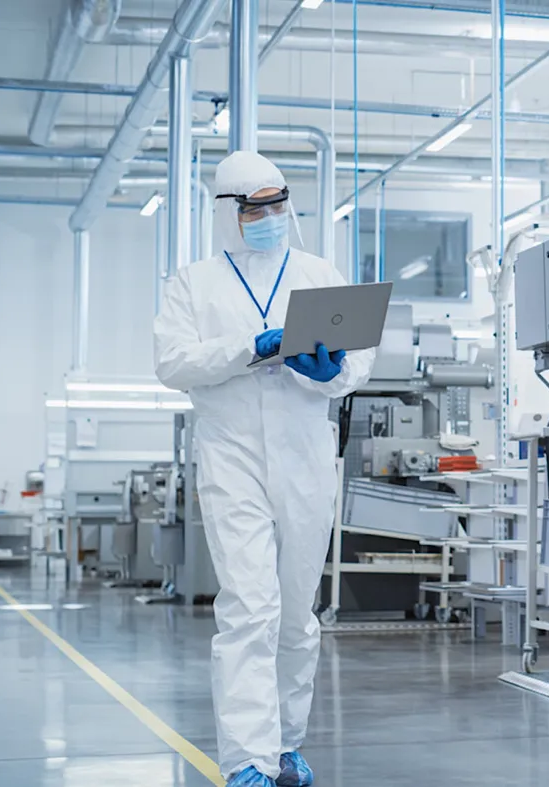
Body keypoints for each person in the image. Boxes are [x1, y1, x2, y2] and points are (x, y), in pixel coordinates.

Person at [154, 151, 375, 787]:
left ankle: (286, 746)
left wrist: (334, 373)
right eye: (256, 208)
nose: (271, 218)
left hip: (307, 453)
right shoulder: (193, 284)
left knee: (296, 612)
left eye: (278, 205)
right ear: (230, 213)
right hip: (232, 457)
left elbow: (358, 357)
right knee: (250, 607)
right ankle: (247, 759)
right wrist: (248, 348)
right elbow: (172, 364)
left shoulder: (317, 271)